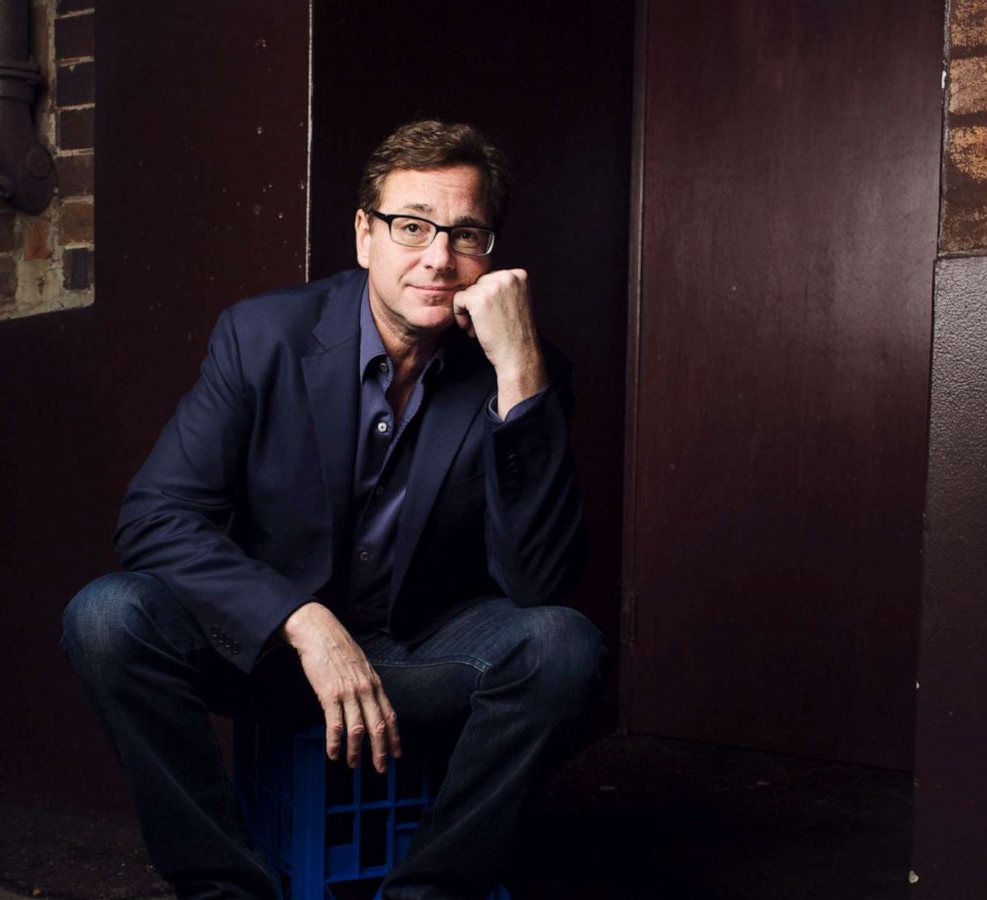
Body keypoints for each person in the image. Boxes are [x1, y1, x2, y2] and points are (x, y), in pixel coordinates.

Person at [62, 119, 604, 899]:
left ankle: (426, 893)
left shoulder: (523, 365)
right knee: (107, 618)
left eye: (466, 233)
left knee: (566, 649)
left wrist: (520, 373)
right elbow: (154, 515)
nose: (438, 258)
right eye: (412, 225)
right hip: (276, 653)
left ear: (492, 252)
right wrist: (300, 620)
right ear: (364, 234)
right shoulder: (265, 336)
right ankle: (227, 890)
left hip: (422, 653)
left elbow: (539, 582)